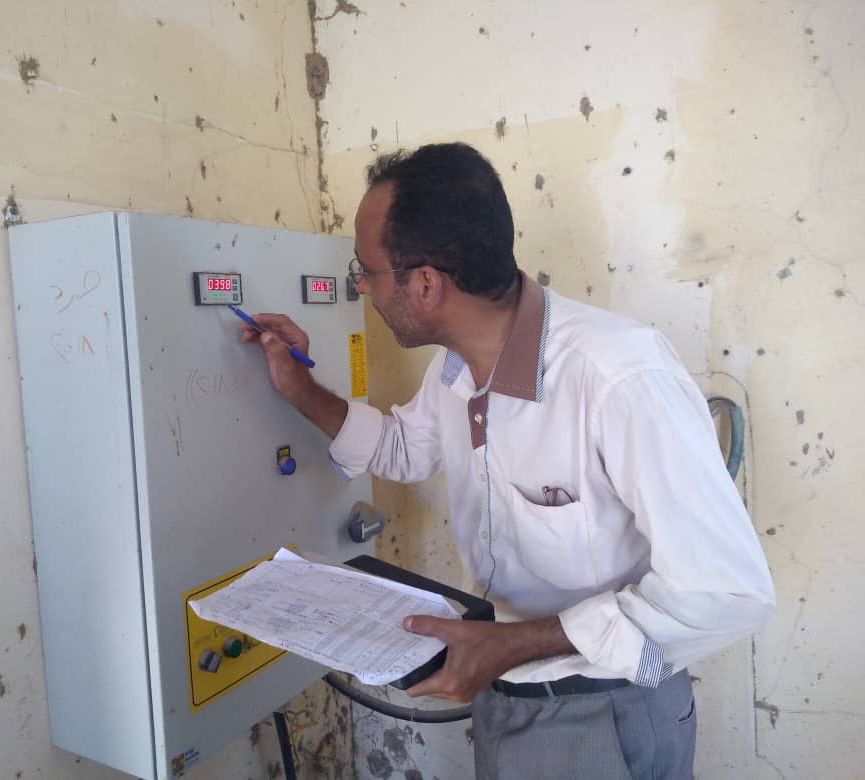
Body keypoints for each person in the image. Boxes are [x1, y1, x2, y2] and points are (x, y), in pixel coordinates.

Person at [240, 142, 775, 780]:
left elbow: (727, 591)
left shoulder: (617, 376)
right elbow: (402, 449)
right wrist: (298, 387)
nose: (361, 287)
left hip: (603, 708)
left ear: (426, 284)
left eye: (367, 270)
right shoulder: (454, 366)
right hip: (504, 693)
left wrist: (513, 642)